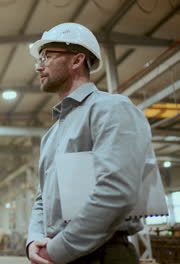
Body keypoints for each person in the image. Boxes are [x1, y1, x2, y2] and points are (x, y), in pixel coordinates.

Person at [26, 23, 153, 264]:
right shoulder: (51, 135)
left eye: (47, 56)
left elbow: (116, 191)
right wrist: (34, 240)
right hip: (57, 252)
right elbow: (42, 199)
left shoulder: (111, 109)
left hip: (104, 254)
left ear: (76, 60)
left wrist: (60, 249)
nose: (39, 66)